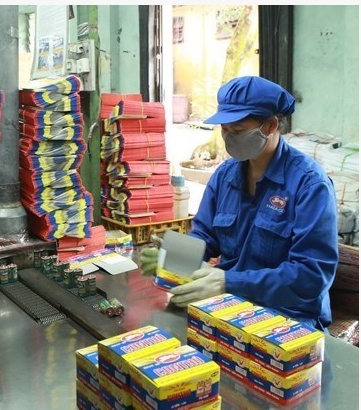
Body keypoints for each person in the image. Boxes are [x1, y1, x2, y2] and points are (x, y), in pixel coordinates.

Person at [141, 76, 338, 331]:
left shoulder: (309, 185)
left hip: (289, 315)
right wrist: (174, 257)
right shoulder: (225, 175)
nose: (229, 138)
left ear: (270, 126)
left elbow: (311, 276)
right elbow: (205, 235)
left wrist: (228, 282)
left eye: (238, 131)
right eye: (225, 130)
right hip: (229, 304)